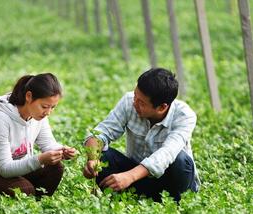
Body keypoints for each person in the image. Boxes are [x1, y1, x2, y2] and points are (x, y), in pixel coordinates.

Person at [82, 68, 199, 202]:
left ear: (162, 107)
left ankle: (176, 201)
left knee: (180, 159)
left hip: (172, 182)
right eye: (135, 96)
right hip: (139, 178)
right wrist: (92, 159)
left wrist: (129, 177)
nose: (134, 103)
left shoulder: (184, 116)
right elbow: (100, 133)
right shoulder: (129, 101)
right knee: (103, 155)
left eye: (141, 103)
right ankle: (134, 197)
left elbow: (167, 154)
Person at [0, 73, 76, 198]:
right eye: (45, 106)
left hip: (12, 170)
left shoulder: (38, 116)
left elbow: (48, 144)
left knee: (55, 168)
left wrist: (63, 151)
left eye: (53, 107)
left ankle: (35, 205)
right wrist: (40, 159)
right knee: (24, 189)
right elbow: (5, 168)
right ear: (29, 96)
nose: (48, 113)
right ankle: (28, 198)